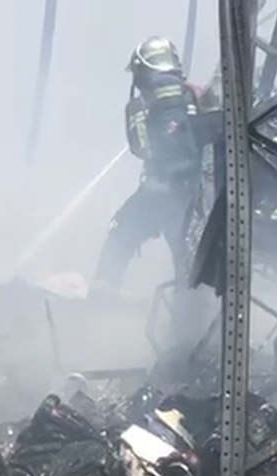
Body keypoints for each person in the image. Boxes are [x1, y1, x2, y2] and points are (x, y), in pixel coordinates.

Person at [93, 36, 203, 295]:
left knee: (121, 235)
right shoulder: (193, 95)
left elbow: (141, 148)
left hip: (157, 191)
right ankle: (189, 309)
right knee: (187, 257)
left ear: (142, 70)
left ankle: (101, 298)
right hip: (191, 193)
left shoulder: (141, 104)